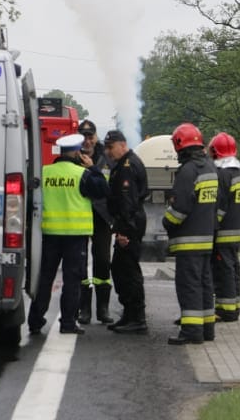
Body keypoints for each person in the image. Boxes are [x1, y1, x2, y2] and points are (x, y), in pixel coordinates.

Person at [27, 133, 109, 335]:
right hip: (75, 236)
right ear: (76, 153)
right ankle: (68, 323)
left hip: (49, 234)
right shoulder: (83, 174)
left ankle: (35, 321)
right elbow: (103, 191)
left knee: (45, 278)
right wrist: (92, 167)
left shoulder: (45, 172)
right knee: (72, 281)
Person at [163, 123, 218, 345]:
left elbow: (180, 209)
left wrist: (166, 222)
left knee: (189, 286)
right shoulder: (210, 168)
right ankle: (207, 329)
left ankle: (192, 332)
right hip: (206, 239)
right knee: (205, 285)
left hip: (188, 241)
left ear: (179, 145)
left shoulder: (187, 171)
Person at [102, 129, 150, 334]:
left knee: (128, 271)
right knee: (120, 270)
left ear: (123, 144)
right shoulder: (122, 164)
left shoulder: (128, 166)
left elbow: (127, 203)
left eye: (111, 147)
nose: (108, 152)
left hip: (130, 223)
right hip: (127, 222)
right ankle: (129, 314)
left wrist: (124, 232)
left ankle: (137, 317)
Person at [76, 119, 116, 325]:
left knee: (102, 260)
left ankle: (103, 309)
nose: (87, 140)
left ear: (96, 137)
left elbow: (114, 187)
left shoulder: (106, 157)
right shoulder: (72, 156)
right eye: (83, 136)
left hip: (102, 216)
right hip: (78, 216)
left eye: (90, 136)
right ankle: (84, 309)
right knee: (80, 263)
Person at [207, 132, 240, 323]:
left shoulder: (222, 174)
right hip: (237, 229)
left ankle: (227, 311)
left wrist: (212, 225)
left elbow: (220, 205)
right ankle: (234, 306)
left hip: (223, 231)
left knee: (224, 270)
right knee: (233, 268)